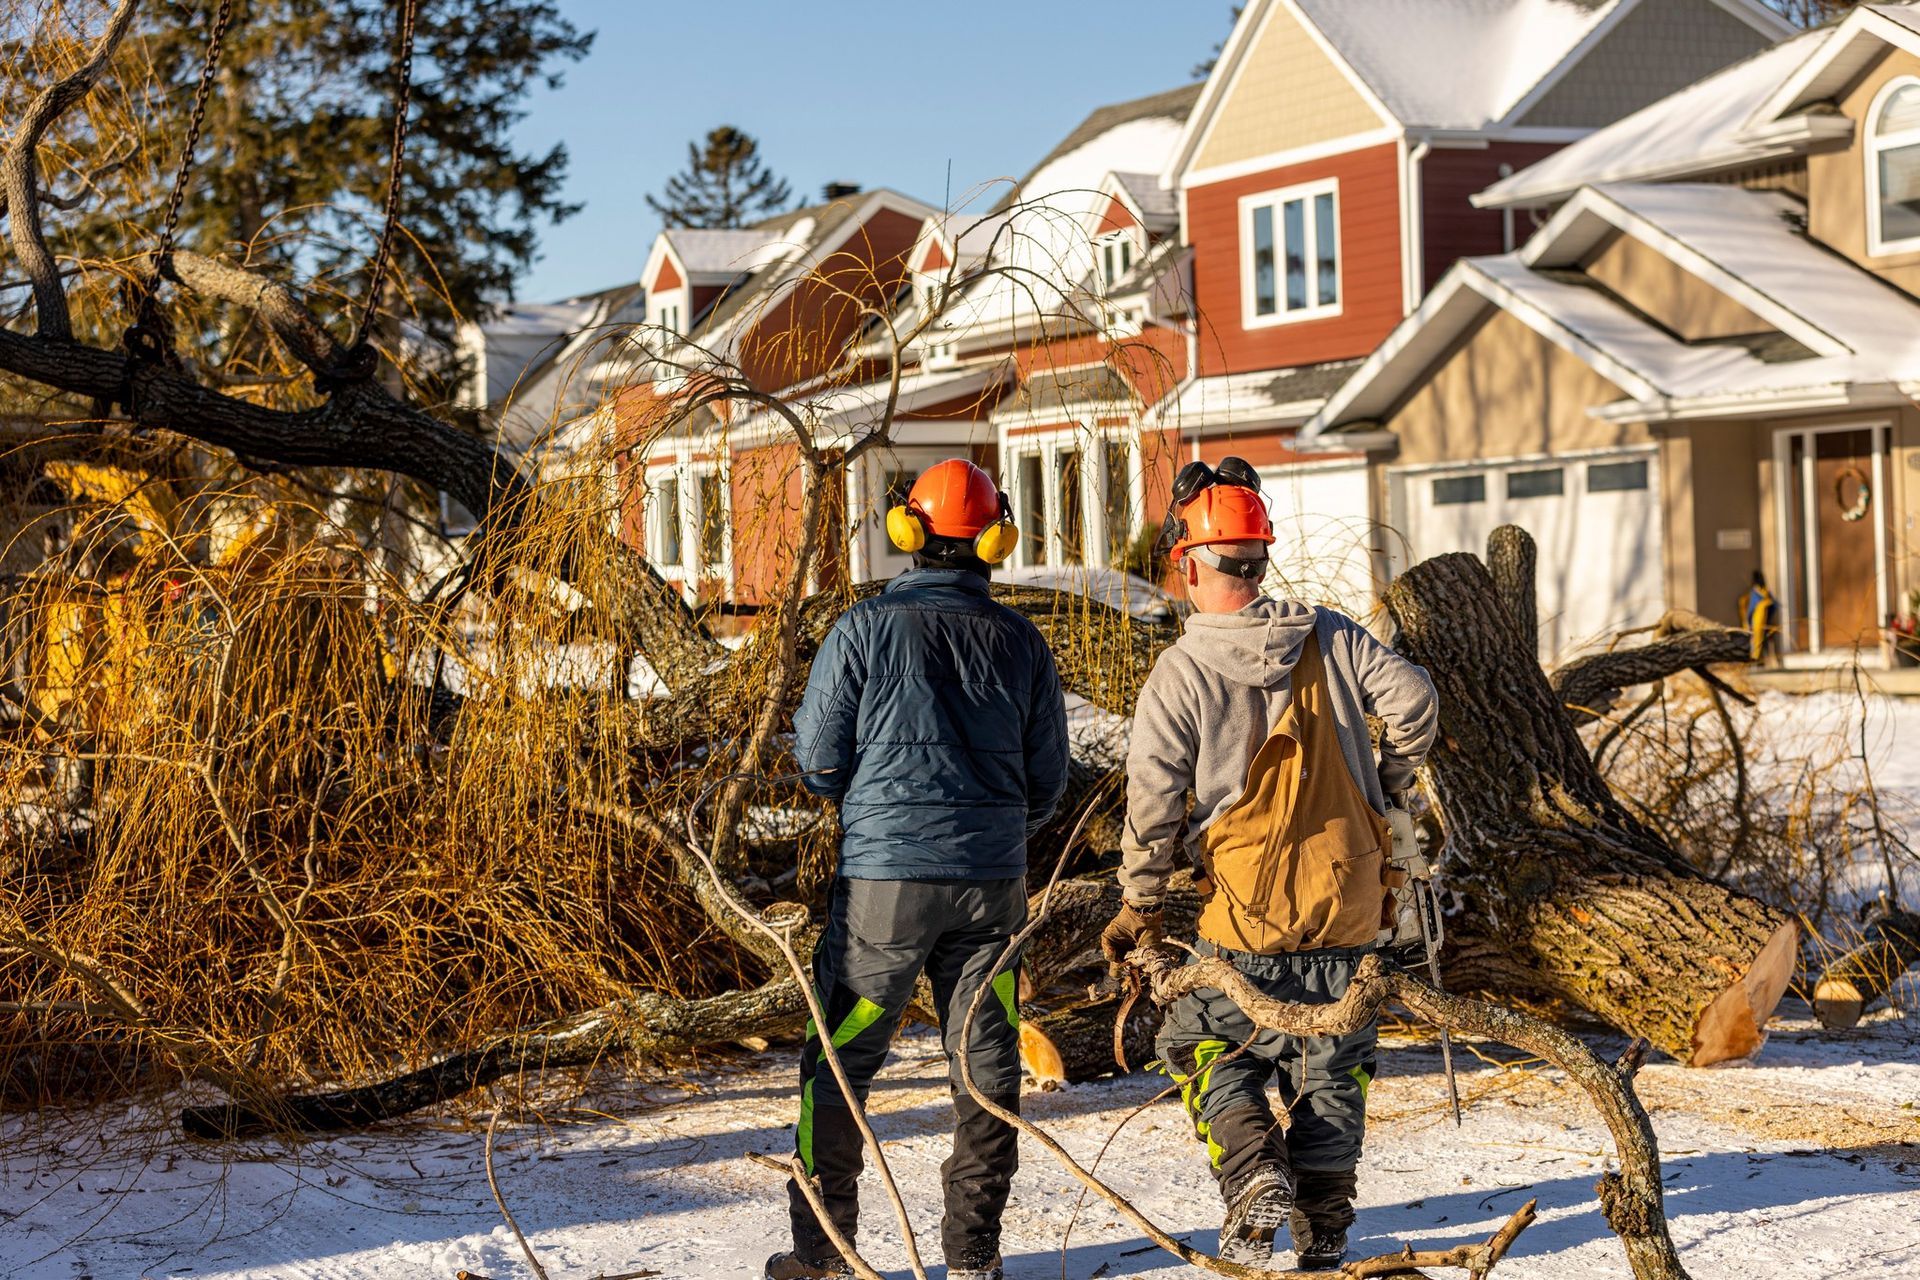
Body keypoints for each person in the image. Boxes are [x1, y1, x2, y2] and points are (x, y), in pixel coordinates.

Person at [1100, 459, 1438, 1270]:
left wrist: (1139, 905)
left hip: (1248, 916)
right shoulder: (1329, 633)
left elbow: (1153, 803)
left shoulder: (1179, 672)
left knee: (1199, 1041)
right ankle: (1324, 1228)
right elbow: (1417, 702)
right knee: (1336, 1065)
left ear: (1189, 561)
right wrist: (1389, 789)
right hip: (1351, 900)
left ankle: (1253, 1174)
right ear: (1259, 558)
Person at [767, 458, 1071, 1280]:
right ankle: (973, 1252)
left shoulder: (862, 629)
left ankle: (825, 1256)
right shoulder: (1022, 641)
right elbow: (1048, 781)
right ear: (995, 537)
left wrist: (875, 810)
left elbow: (819, 760)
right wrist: (992, 828)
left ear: (908, 530)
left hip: (882, 890)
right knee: (987, 1062)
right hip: (992, 889)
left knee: (842, 1058)